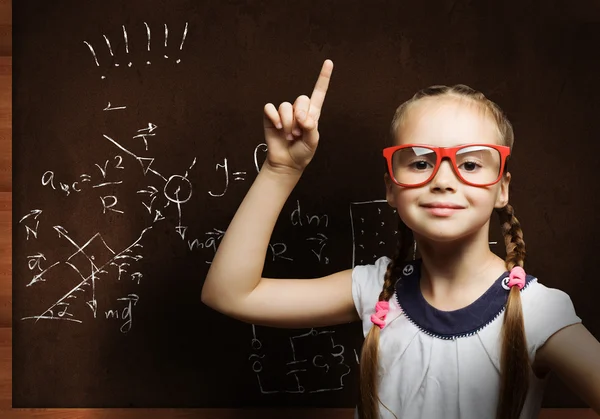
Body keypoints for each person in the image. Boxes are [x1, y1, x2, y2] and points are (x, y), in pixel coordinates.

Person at [201, 59, 600, 419]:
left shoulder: (539, 312)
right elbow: (231, 293)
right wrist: (280, 169)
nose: (444, 180)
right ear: (391, 188)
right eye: (421, 162)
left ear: (501, 188)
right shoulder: (376, 288)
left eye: (472, 162)